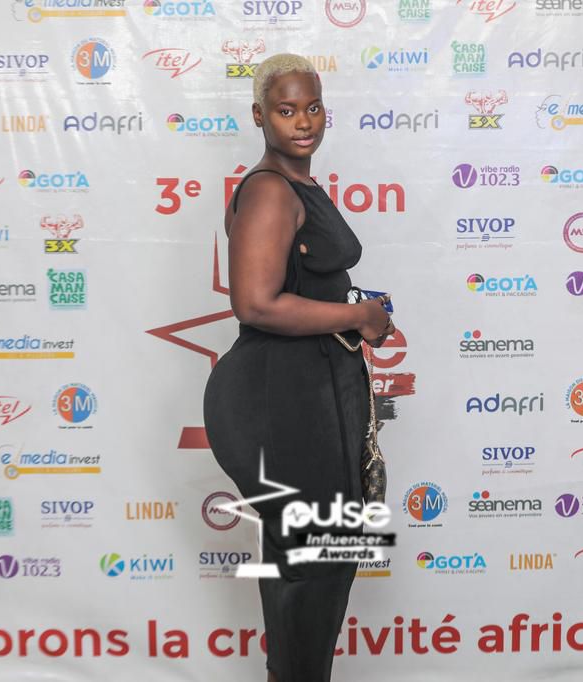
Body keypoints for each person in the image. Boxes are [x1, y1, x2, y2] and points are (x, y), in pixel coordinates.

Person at [203, 53, 395, 682]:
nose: (303, 121)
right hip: (277, 399)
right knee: (312, 566)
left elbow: (304, 287)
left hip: (312, 392)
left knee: (319, 563)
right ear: (260, 116)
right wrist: (357, 315)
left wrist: (358, 317)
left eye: (312, 107)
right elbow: (255, 303)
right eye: (286, 110)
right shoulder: (268, 190)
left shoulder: (299, 185)